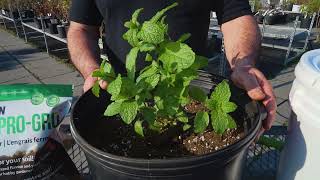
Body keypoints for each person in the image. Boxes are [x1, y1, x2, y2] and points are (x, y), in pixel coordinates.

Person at [67, 0, 276, 135]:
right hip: (126, 93)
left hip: (189, 88)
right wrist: (91, 70)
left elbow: (235, 14)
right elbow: (81, 28)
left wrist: (243, 64)